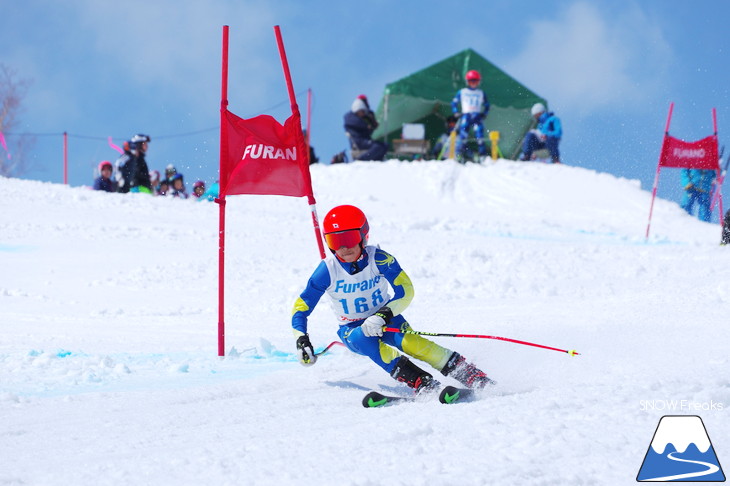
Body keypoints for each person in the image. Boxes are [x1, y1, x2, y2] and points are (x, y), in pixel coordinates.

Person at [292, 204, 494, 394]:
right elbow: (301, 307)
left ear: (364, 236)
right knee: (359, 337)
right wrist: (301, 339)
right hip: (352, 329)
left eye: (350, 238)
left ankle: (472, 376)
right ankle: (422, 382)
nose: (344, 248)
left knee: (412, 343)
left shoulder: (379, 259)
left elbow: (406, 291)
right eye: (336, 241)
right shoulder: (327, 270)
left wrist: (382, 315)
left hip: (388, 319)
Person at [451, 70, 490, 160]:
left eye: (475, 81)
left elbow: (487, 105)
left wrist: (485, 114)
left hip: (477, 116)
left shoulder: (481, 93)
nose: (473, 83)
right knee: (463, 135)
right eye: (471, 81)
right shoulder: (462, 92)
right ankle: (459, 154)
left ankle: (482, 155)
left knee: (479, 135)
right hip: (466, 116)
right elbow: (454, 103)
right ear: (467, 82)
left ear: (478, 81)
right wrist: (456, 112)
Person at [344, 96, 388, 161]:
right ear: (357, 110)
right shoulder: (350, 117)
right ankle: (361, 159)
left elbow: (367, 131)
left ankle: (376, 159)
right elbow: (357, 123)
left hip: (364, 140)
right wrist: (367, 125)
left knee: (385, 146)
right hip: (358, 141)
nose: (363, 113)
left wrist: (372, 125)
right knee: (378, 146)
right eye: (362, 111)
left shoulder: (362, 118)